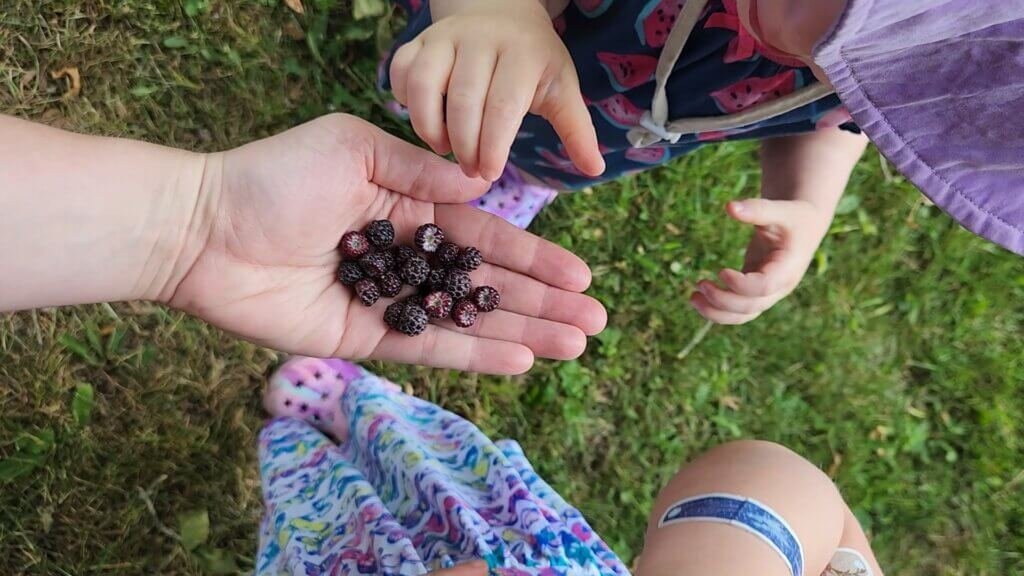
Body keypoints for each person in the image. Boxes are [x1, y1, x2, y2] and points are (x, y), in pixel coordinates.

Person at [381, 0, 1024, 325]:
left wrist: (808, 204)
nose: (793, 41)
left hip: (592, 138)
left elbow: (834, 124)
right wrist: (491, 15)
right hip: (503, 37)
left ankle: (524, 175)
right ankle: (419, 103)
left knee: (536, 156)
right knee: (441, 96)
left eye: (853, 63)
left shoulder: (874, 84)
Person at [0, 112, 607, 375]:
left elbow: (416, 284)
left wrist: (194, 222)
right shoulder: (396, 266)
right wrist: (200, 219)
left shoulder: (413, 272)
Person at [257, 356, 884, 575]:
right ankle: (364, 413)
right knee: (423, 470)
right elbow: (780, 482)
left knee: (316, 518)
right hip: (494, 542)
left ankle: (305, 462)